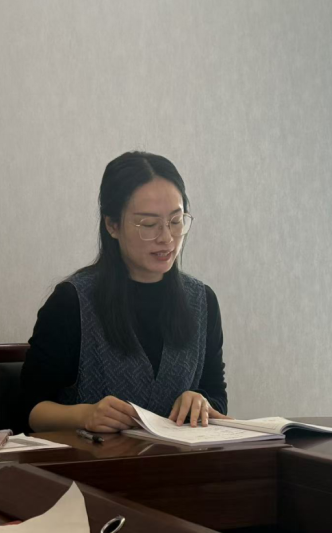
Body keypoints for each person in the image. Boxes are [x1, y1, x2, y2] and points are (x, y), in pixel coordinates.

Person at [21, 151, 228, 433]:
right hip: (92, 459)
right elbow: (28, 409)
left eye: (176, 221)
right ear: (112, 225)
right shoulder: (72, 302)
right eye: (149, 224)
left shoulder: (202, 302)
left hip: (178, 460)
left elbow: (216, 395)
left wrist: (201, 401)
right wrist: (84, 415)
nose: (166, 237)